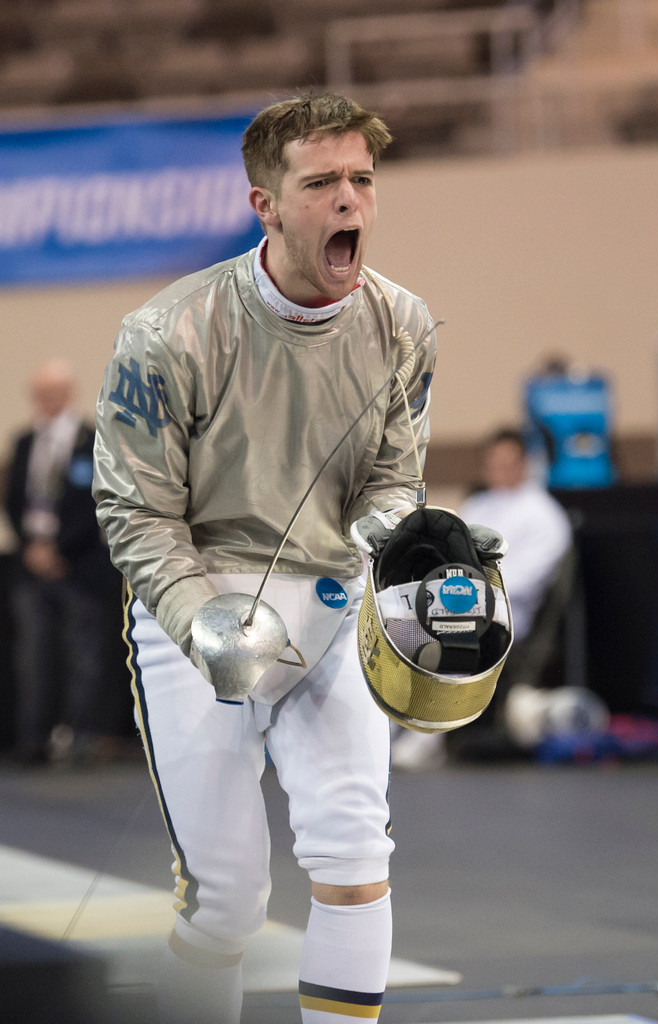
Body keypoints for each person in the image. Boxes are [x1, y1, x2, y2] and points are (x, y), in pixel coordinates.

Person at [92, 93, 437, 1024]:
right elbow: (133, 505)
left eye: (361, 180)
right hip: (201, 605)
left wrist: (386, 529)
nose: (348, 202)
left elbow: (392, 477)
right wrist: (197, 615)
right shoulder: (168, 332)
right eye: (320, 182)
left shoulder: (402, 324)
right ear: (265, 205)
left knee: (356, 859)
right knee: (228, 902)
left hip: (333, 604)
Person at [391, 426, 574, 770]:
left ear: (524, 464)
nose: (499, 470)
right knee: (394, 615)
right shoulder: (477, 505)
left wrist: (462, 592)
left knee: (451, 623)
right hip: (455, 596)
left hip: (507, 614)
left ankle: (426, 736)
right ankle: (389, 726)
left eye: (507, 462)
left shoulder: (546, 516)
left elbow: (522, 581)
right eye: (493, 463)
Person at [4, 359, 118, 765]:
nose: (46, 400)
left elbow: (95, 503)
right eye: (39, 393)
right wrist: (33, 546)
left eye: (54, 392)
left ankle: (81, 738)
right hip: (30, 566)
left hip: (80, 566)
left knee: (82, 655)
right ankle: (33, 739)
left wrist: (59, 549)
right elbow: (15, 501)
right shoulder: (23, 442)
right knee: (31, 656)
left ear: (68, 393)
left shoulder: (92, 440)